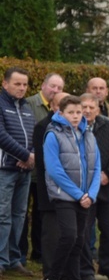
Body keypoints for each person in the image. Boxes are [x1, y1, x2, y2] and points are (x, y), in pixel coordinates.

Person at [42, 95, 102, 280]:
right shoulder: (53, 134)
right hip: (64, 195)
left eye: (78, 112)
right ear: (61, 113)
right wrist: (78, 194)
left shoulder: (88, 134)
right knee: (68, 236)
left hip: (85, 197)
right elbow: (54, 169)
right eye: (71, 113)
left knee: (79, 241)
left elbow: (96, 167)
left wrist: (91, 194)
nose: (76, 116)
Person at [79, 93, 109, 280]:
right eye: (84, 107)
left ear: (98, 109)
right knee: (84, 230)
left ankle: (107, 266)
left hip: (107, 187)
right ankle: (86, 270)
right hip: (85, 188)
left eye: (92, 107)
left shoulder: (108, 125)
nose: (88, 111)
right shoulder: (74, 127)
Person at [22, 72, 64, 263]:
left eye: (59, 88)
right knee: (22, 214)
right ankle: (20, 254)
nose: (55, 90)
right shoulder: (30, 104)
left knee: (41, 214)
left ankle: (38, 253)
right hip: (27, 168)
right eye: (52, 86)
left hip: (45, 174)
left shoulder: (62, 108)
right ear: (43, 85)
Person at [0, 67, 36, 277]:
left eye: (25, 84)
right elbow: (2, 136)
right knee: (2, 216)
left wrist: (30, 155)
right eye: (17, 84)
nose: (22, 88)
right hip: (5, 170)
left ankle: (15, 259)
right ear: (5, 84)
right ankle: (1, 260)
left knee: (19, 216)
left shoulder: (27, 108)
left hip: (24, 171)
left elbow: (33, 136)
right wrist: (25, 155)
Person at [34, 91, 69, 280]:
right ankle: (50, 276)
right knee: (52, 236)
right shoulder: (43, 128)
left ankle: (66, 274)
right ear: (54, 107)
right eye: (64, 105)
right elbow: (45, 163)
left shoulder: (76, 129)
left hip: (72, 193)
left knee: (69, 235)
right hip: (51, 191)